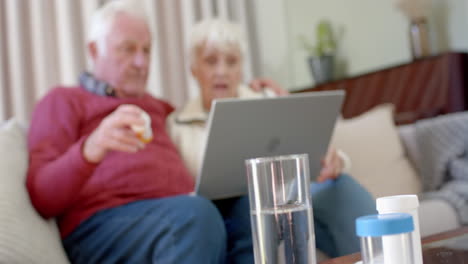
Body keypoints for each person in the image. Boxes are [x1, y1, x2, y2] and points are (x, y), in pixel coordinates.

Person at [26, 1, 278, 263]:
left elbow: (203, 123)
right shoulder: (63, 101)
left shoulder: (160, 108)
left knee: (251, 207)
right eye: (128, 49)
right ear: (94, 49)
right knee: (195, 215)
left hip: (179, 216)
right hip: (104, 226)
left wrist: (261, 98)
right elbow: (42, 196)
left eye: (146, 51)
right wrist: (91, 148)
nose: (141, 62)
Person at [167, 18, 376, 259]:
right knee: (249, 209)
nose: (222, 71)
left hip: (291, 198)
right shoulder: (176, 124)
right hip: (238, 212)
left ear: (242, 67)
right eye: (211, 61)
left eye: (232, 61)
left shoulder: (267, 98)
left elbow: (312, 147)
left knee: (343, 187)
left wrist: (335, 160)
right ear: (194, 69)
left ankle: (382, 257)